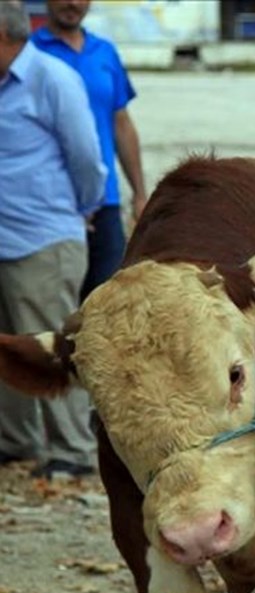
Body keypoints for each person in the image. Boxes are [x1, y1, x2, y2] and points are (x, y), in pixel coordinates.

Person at [0, 0, 106, 479]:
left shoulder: (52, 79)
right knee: (8, 347)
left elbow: (86, 158)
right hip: (5, 239)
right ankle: (16, 440)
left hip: (42, 239)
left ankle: (74, 449)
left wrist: (82, 208)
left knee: (52, 345)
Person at [33, 0, 147, 300]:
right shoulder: (28, 53)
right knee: (49, 310)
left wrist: (139, 193)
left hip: (104, 201)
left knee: (105, 305)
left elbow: (121, 123)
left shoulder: (105, 51)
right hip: (49, 205)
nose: (73, 3)